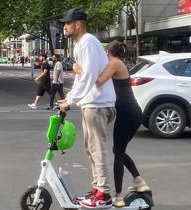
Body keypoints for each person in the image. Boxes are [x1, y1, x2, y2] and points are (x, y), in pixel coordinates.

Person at [73, 40, 150, 207]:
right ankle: (138, 180)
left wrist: (80, 71)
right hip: (129, 112)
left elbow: (98, 80)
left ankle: (119, 196)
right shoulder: (117, 63)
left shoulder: (115, 63)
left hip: (128, 112)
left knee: (118, 153)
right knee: (118, 150)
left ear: (107, 52)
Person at [59, 8, 116, 208]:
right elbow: (80, 77)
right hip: (91, 102)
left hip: (98, 103)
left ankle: (104, 194)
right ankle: (97, 189)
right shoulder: (79, 45)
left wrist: (71, 100)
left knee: (97, 149)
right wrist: (69, 98)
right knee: (90, 148)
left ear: (78, 24)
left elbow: (89, 75)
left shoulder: (88, 42)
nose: (64, 26)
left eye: (67, 23)